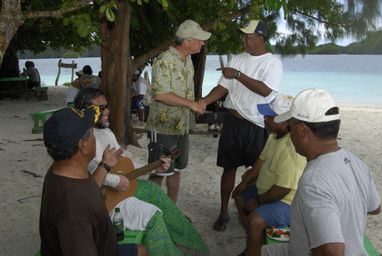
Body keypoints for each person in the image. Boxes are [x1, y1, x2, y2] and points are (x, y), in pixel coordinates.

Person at [75, 88, 209, 256]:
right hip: (104, 203)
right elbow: (92, 171)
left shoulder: (106, 132)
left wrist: (154, 167)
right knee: (153, 217)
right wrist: (116, 181)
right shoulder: (83, 138)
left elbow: (126, 164)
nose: (107, 111)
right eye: (101, 108)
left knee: (156, 193)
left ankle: (187, 241)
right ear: (85, 112)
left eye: (106, 106)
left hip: (120, 191)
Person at [262, 88, 381, 256]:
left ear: (302, 131)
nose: (290, 134)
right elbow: (375, 208)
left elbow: (332, 252)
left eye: (290, 128)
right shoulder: (356, 162)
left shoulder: (314, 181)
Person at [201, 20, 283, 231]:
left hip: (256, 125)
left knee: (254, 173)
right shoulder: (237, 59)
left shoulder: (272, 62)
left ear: (262, 38)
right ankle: (223, 212)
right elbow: (222, 87)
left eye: (249, 37)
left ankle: (252, 213)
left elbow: (265, 90)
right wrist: (203, 102)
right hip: (233, 122)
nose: (244, 41)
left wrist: (237, 74)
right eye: (243, 36)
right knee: (228, 170)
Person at [40, 107, 146, 256]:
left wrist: (105, 165)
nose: (95, 138)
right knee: (143, 251)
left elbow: (86, 190)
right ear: (82, 145)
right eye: (92, 133)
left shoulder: (62, 168)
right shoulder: (74, 214)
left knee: (142, 250)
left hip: (100, 244)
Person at [231, 94, 306, 256]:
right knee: (239, 196)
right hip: (267, 191)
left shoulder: (290, 147)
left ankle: (254, 246)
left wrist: (257, 202)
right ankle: (254, 245)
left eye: (269, 116)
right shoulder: (274, 135)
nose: (264, 118)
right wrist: (244, 184)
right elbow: (260, 161)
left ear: (285, 121)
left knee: (255, 220)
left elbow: (283, 189)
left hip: (287, 202)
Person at [145, 19, 211, 203]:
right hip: (163, 126)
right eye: (200, 39)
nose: (203, 43)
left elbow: (184, 92)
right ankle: (149, 213)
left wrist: (196, 104)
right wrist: (191, 105)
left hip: (181, 126)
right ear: (188, 41)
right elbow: (161, 94)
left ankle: (172, 211)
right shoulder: (164, 60)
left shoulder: (187, 60)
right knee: (159, 170)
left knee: (177, 169)